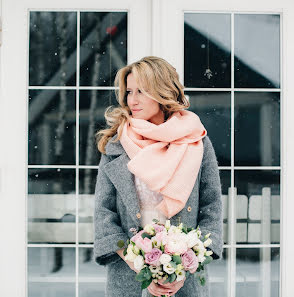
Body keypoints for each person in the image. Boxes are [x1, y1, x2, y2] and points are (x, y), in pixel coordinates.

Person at [93, 56, 223, 297]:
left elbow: (211, 207)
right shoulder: (117, 144)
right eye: (129, 91)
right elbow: (104, 214)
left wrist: (182, 267)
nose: (132, 100)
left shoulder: (196, 141)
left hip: (186, 280)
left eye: (141, 91)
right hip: (127, 277)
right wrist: (138, 263)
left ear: (162, 92)